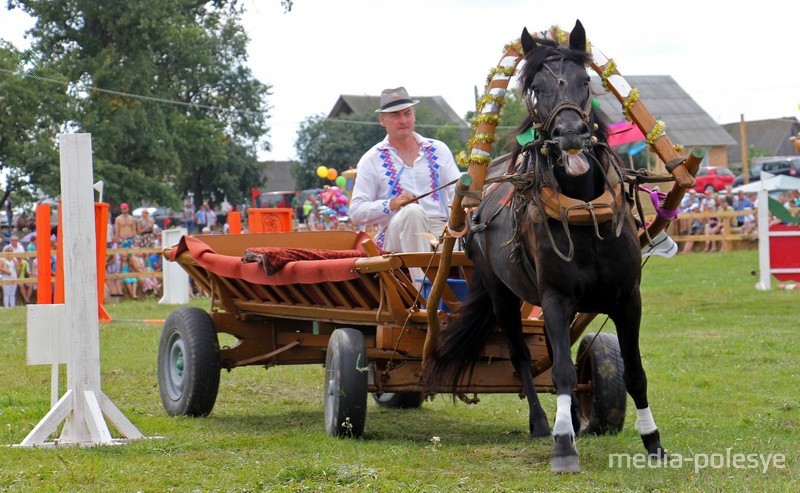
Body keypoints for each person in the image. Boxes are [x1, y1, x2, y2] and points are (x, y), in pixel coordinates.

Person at [349, 87, 461, 283]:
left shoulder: (438, 149)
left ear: (414, 115)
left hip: (442, 228)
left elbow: (457, 192)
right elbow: (356, 211)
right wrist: (390, 204)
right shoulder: (371, 159)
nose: (403, 120)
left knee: (469, 222)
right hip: (397, 232)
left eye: (407, 113)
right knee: (413, 213)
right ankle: (424, 295)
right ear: (382, 120)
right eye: (395, 115)